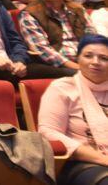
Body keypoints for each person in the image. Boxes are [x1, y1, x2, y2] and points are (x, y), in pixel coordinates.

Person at [38, 34, 108, 184]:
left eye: (104, 58)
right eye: (88, 56)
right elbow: (48, 132)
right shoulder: (62, 88)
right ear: (78, 59)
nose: (96, 62)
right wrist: (102, 159)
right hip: (78, 162)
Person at [18, 0, 94, 77]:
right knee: (81, 75)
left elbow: (93, 39)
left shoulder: (78, 9)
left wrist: (90, 62)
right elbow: (42, 50)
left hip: (84, 60)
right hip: (55, 65)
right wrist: (78, 67)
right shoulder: (29, 13)